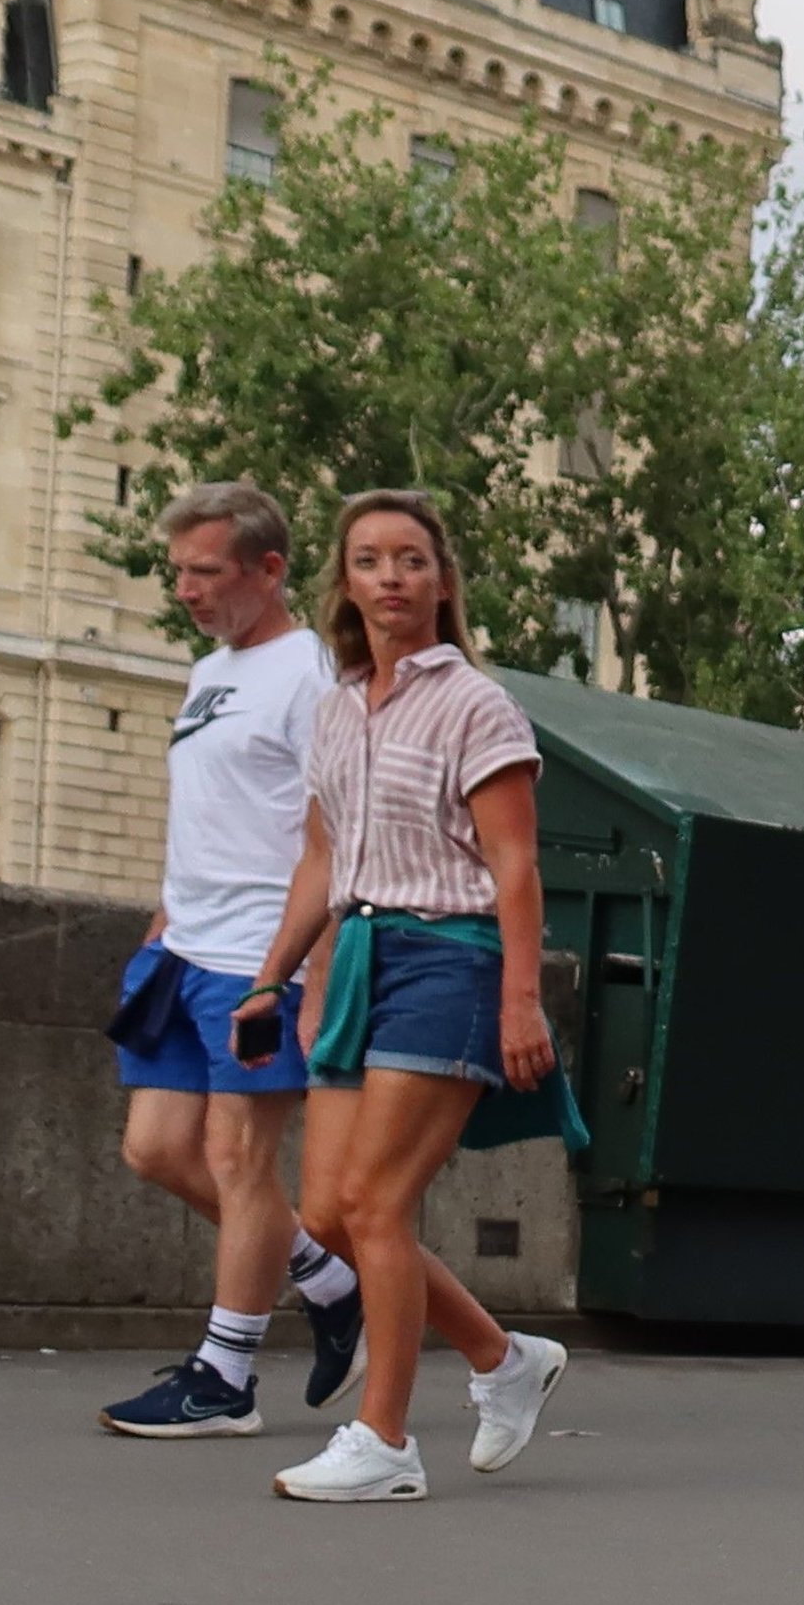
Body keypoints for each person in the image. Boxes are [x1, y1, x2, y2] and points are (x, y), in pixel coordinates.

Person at [235, 491, 570, 1504]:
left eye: (411, 559)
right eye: (371, 559)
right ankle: (502, 1359)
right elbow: (320, 860)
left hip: (451, 956)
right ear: (345, 581)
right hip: (363, 958)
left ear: (442, 581)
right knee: (333, 1213)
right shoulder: (338, 710)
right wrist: (273, 976)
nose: (391, 576)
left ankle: (383, 1439)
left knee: (380, 1201)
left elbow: (515, 864)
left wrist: (521, 1000)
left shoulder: (474, 703)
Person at [99, 481, 362, 1436]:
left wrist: (309, 978)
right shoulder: (209, 672)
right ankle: (329, 1281)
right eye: (179, 572)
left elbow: (338, 837)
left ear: (269, 570)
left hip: (262, 954)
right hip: (185, 947)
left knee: (238, 1159)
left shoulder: (312, 676)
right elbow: (213, 807)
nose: (187, 589)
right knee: (157, 1147)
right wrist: (166, 913)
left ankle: (226, 1379)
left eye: (205, 572)